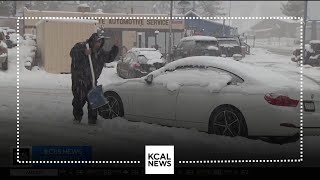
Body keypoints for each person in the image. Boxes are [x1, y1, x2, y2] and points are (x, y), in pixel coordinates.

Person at [70, 33, 119, 125]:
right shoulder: (82, 46)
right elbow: (72, 52)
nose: (99, 44)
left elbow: (109, 58)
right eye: (97, 41)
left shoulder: (100, 53)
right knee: (79, 101)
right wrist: (83, 52)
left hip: (92, 81)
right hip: (80, 81)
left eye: (100, 42)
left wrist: (115, 47)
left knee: (95, 102)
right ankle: (77, 117)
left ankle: (93, 120)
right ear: (92, 41)